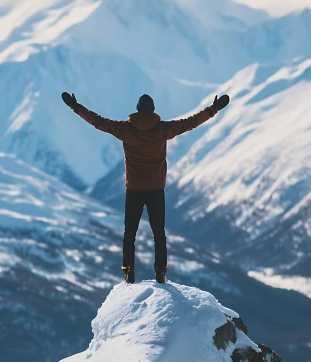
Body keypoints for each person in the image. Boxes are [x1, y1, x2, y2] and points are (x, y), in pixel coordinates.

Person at [61, 91, 230, 284]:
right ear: (153, 110)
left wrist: (75, 107)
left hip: (133, 190)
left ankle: (128, 272)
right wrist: (213, 109)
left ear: (137, 110)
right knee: (158, 234)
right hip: (156, 190)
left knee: (129, 234)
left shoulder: (124, 129)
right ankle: (160, 272)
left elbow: (97, 121)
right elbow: (191, 122)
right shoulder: (163, 130)